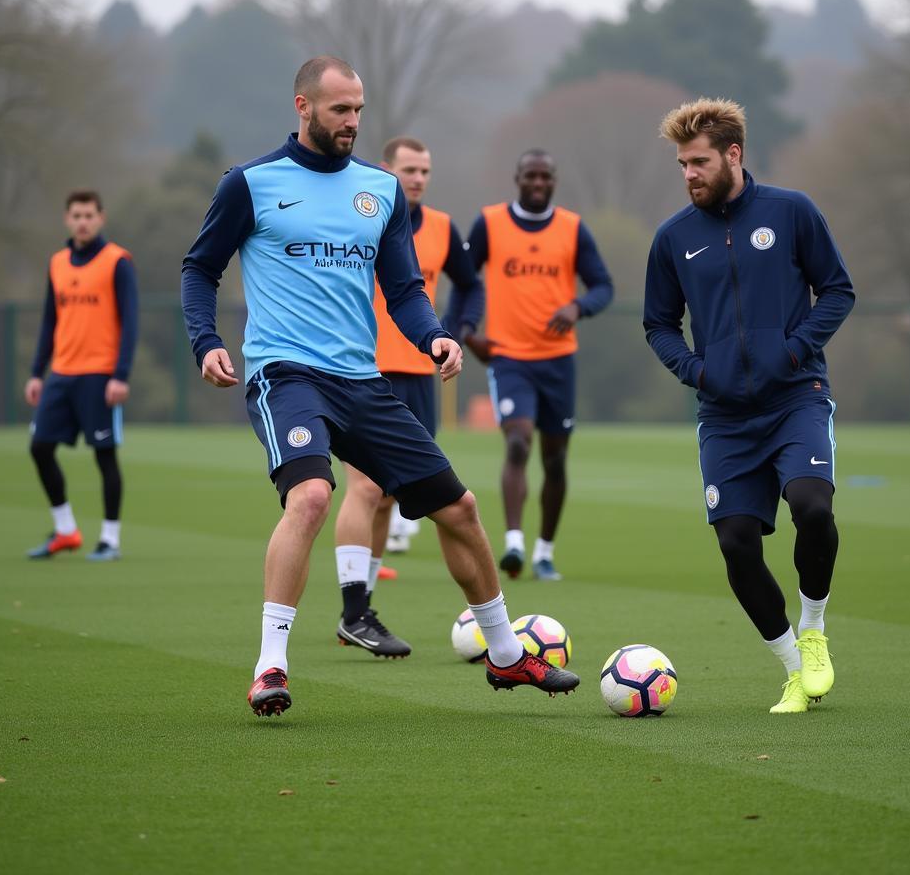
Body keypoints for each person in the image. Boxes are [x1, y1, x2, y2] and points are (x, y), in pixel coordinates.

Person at [181, 56, 578, 717]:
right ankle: (270, 665)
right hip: (286, 375)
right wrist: (207, 341)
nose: (353, 122)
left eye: (359, 110)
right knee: (310, 497)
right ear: (303, 106)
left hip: (363, 382)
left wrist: (435, 337)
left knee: (461, 509)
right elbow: (200, 270)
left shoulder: (381, 191)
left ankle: (507, 656)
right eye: (340, 109)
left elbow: (403, 290)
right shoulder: (250, 184)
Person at [643, 97, 855, 714]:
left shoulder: (791, 212)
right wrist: (696, 370)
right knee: (737, 541)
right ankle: (794, 669)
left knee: (812, 507)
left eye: (700, 162)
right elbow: (658, 323)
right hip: (725, 416)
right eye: (682, 164)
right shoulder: (673, 238)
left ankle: (813, 631)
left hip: (796, 397)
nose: (690, 174)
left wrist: (794, 351)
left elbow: (837, 289)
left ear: (733, 154)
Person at [331, 135, 484, 658]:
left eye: (424, 170)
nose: (417, 178)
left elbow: (470, 283)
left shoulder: (442, 228)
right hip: (363, 368)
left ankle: (362, 609)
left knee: (393, 495)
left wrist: (456, 329)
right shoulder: (361, 215)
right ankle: (354, 610)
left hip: (421, 375)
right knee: (366, 489)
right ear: (385, 171)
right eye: (408, 170)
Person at [463, 150, 613, 581]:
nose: (537, 182)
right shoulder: (489, 223)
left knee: (555, 459)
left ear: (554, 180)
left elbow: (603, 285)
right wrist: (468, 333)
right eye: (530, 175)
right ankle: (513, 543)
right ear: (517, 177)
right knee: (517, 443)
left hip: (558, 360)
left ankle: (544, 551)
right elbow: (466, 280)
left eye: (545, 176)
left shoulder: (572, 228)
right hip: (509, 358)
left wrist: (577, 307)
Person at [25, 189, 138, 562]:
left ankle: (110, 539)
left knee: (104, 455)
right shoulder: (57, 263)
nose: (83, 221)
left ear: (101, 218)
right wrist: (36, 372)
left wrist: (120, 375)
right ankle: (65, 530)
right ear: (67, 219)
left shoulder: (117, 261)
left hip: (100, 375)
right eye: (76, 215)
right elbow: (49, 320)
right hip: (60, 373)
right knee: (40, 448)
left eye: (89, 215)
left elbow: (130, 321)